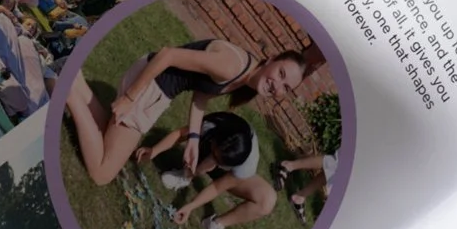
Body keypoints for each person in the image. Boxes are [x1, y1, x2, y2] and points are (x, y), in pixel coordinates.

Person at [65, 35, 311, 186]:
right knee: (102, 173)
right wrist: (130, 97)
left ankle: (74, 80)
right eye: (280, 74)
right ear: (271, 60)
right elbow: (168, 55)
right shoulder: (231, 66)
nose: (277, 85)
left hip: (152, 84)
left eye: (286, 87)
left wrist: (193, 140)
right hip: (149, 88)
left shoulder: (246, 71)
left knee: (108, 134)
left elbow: (202, 92)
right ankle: (65, 91)